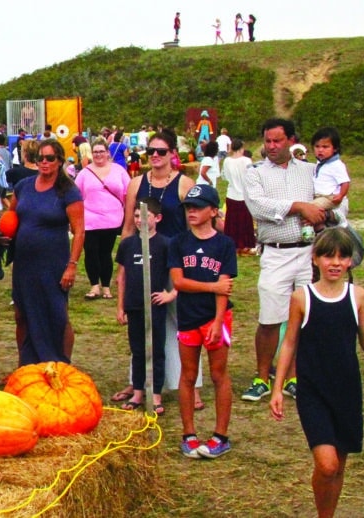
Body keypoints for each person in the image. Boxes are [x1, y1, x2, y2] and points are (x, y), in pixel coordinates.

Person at [269, 228, 364, 518]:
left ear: (350, 262)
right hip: (313, 391)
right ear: (315, 258)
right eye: (328, 255)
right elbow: (290, 342)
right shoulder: (301, 298)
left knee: (339, 466)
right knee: (327, 464)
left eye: (342, 256)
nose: (335, 262)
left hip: (346, 391)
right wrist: (278, 387)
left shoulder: (358, 296)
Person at [117, 130, 204, 408]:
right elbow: (129, 224)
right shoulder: (136, 183)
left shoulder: (184, 183)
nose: (155, 156)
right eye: (150, 151)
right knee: (141, 325)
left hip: (175, 259)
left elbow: (194, 222)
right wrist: (125, 257)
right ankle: (139, 382)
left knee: (183, 323)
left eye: (161, 151)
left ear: (172, 154)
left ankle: (191, 384)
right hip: (143, 257)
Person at [242, 117, 325, 402]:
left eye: (278, 140)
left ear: (291, 140)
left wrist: (321, 212)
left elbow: (334, 200)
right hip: (275, 251)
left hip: (308, 250)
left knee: (305, 317)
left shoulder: (311, 170)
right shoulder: (255, 173)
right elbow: (258, 206)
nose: (272, 146)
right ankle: (262, 377)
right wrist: (299, 206)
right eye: (268, 141)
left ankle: (293, 376)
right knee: (269, 317)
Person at [171, 184, 238, 459]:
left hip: (215, 318)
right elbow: (178, 281)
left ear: (213, 211)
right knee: (187, 375)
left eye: (197, 207)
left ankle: (220, 436)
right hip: (187, 317)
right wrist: (211, 288)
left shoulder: (224, 244)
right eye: (188, 207)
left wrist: (217, 320)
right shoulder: (179, 242)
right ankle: (189, 434)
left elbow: (226, 286)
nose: (192, 212)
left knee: (218, 374)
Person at [8, 138, 84, 364]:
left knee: (57, 315)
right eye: (40, 158)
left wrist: (72, 265)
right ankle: (26, 363)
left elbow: (79, 231)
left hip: (53, 263)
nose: (44, 162)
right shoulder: (24, 186)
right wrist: (3, 234)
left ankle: (62, 363)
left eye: (50, 158)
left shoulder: (68, 191)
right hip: (24, 263)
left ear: (60, 160)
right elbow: (11, 217)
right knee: (22, 314)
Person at [115, 198, 174, 415]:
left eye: (145, 216)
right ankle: (138, 391)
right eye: (137, 216)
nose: (140, 220)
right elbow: (121, 277)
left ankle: (156, 393)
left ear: (157, 218)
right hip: (133, 305)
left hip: (155, 307)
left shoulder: (165, 244)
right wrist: (120, 306)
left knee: (156, 350)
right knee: (138, 350)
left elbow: (178, 275)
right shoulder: (128, 244)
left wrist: (171, 294)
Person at [75, 137, 129, 301]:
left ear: (107, 153)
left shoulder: (119, 170)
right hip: (90, 219)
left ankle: (106, 286)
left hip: (112, 219)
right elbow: (77, 195)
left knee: (106, 253)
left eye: (101, 151)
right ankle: (94, 286)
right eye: (95, 152)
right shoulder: (84, 173)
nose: (98, 155)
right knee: (91, 252)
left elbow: (128, 192)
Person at [220, 138, 257, 255]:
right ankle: (245, 245)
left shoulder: (227, 161)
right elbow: (251, 176)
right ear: (241, 148)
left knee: (232, 221)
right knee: (245, 221)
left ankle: (233, 245)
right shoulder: (246, 160)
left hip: (231, 194)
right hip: (243, 195)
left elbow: (224, 176)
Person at [310, 127, 350, 225]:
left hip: (329, 197)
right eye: (317, 146)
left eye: (325, 147)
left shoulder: (336, 165)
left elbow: (345, 182)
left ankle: (310, 229)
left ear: (335, 148)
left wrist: (340, 195)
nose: (320, 150)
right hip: (318, 196)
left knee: (309, 208)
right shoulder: (320, 163)